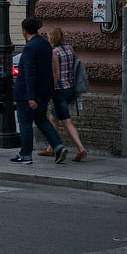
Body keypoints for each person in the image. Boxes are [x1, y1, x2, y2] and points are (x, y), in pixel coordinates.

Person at [11, 17, 67, 164]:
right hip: (44, 91)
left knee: (25, 123)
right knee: (41, 120)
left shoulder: (30, 47)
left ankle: (25, 154)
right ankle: (58, 146)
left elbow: (30, 73)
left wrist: (30, 97)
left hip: (28, 93)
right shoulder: (45, 44)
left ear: (24, 31)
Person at [41, 26, 87, 162]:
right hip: (70, 88)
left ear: (51, 38)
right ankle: (51, 148)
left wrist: (49, 88)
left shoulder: (54, 52)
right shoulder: (69, 49)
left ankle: (80, 148)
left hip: (59, 90)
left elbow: (54, 73)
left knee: (66, 121)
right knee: (53, 118)